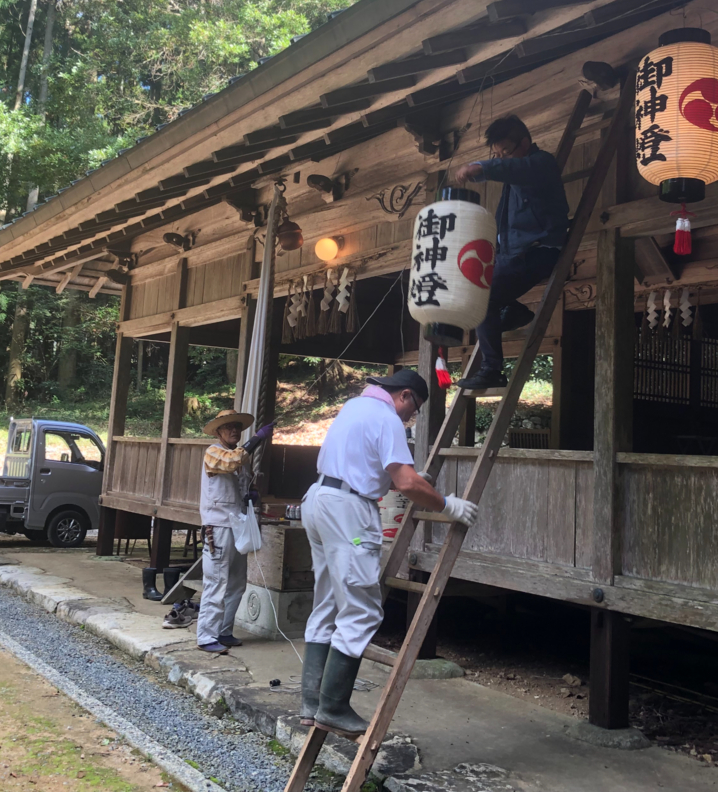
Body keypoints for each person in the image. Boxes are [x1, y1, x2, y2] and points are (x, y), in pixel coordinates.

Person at [299, 369, 478, 737]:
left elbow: (377, 466)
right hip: (349, 510)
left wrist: (413, 479)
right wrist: (449, 505)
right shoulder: (386, 417)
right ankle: (332, 707)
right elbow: (405, 482)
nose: (410, 418)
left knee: (329, 602)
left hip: (319, 499)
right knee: (362, 609)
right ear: (406, 395)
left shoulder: (354, 407)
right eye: (414, 409)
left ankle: (312, 703)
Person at [450, 114, 569, 390]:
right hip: (516, 254)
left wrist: (480, 166)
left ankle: (491, 369)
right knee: (478, 287)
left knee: (480, 299)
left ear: (524, 143)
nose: (502, 158)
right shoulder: (516, 177)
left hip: (538, 251)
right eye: (497, 154)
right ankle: (513, 312)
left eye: (505, 152)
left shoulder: (540, 164)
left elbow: (515, 169)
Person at [195, 408, 272, 654]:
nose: (234, 431)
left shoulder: (241, 457)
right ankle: (206, 636)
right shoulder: (213, 452)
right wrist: (257, 439)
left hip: (237, 524)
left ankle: (224, 631)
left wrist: (251, 493)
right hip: (217, 526)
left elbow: (242, 477)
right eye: (228, 427)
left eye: (237, 427)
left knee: (237, 582)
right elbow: (230, 462)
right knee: (216, 581)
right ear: (218, 431)